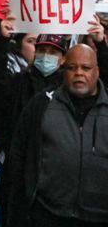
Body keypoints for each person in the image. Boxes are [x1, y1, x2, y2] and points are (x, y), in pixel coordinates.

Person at [8, 44, 108, 226]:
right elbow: (18, 155)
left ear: (97, 71)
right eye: (72, 67)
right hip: (47, 214)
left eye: (85, 68)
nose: (79, 73)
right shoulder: (41, 104)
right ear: (64, 70)